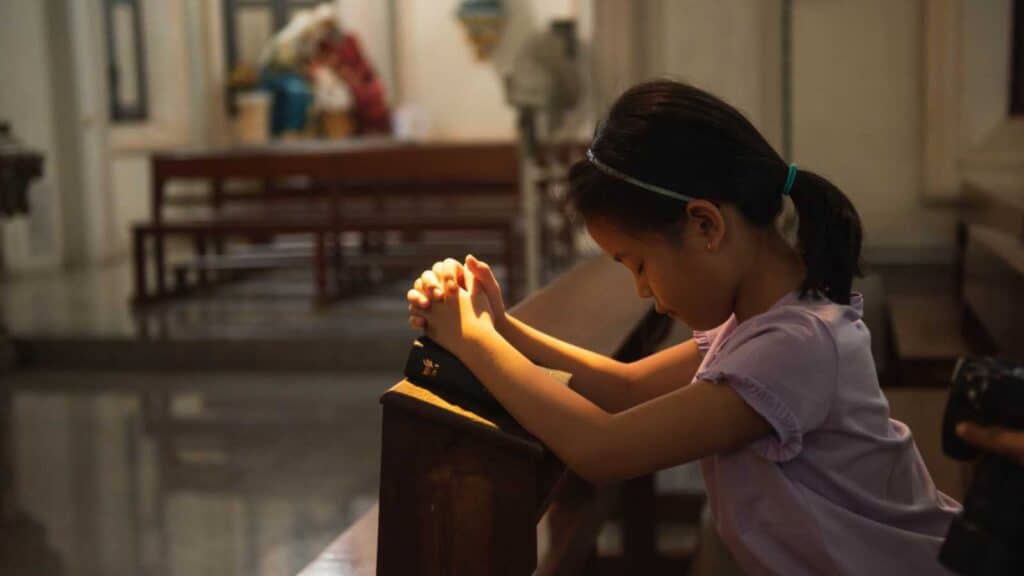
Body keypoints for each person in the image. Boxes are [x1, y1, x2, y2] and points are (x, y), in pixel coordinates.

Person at [406, 80, 961, 575]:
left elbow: (603, 449)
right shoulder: (763, 323)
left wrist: (471, 342)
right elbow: (626, 388)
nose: (643, 292)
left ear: (704, 225)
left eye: (638, 264)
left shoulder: (795, 345)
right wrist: (502, 329)